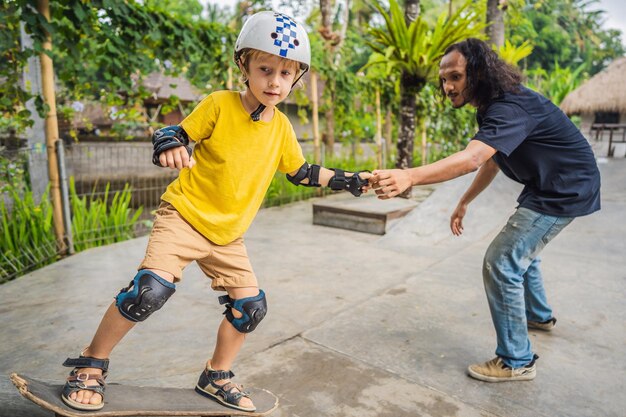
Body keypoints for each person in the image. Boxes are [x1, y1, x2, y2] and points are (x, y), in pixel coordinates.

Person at [60, 11, 370, 412]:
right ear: (243, 65)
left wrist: (349, 179)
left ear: (297, 77)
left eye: (286, 73)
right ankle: (92, 362)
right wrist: (171, 146)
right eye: (265, 69)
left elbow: (302, 172)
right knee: (148, 291)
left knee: (250, 309)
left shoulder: (281, 129)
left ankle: (216, 374)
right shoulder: (219, 105)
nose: (275, 81)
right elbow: (173, 133)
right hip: (184, 217)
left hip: (228, 236)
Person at [369, 38, 600, 382]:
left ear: (478, 72)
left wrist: (409, 176)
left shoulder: (509, 106)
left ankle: (516, 360)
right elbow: (492, 158)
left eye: (455, 77)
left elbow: (473, 157)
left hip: (563, 190)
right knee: (524, 253)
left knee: (502, 260)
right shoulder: (492, 105)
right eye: (444, 80)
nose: (447, 87)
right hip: (551, 185)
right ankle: (538, 315)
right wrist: (465, 201)